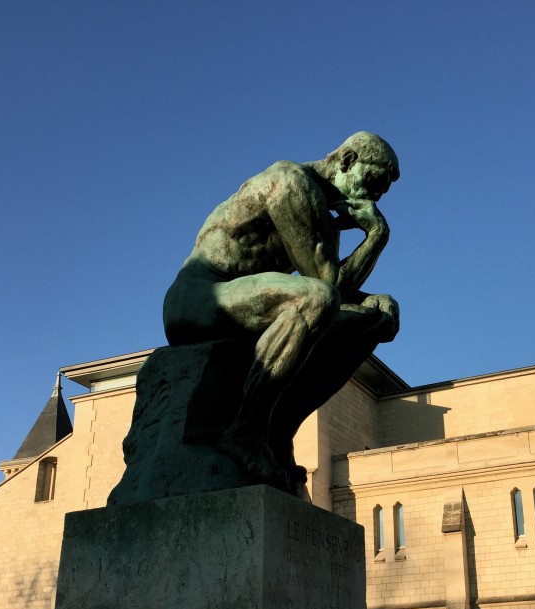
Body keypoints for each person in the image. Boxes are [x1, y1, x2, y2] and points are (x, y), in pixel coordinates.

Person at [163, 131, 400, 492]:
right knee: (317, 299)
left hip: (244, 301)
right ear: (348, 161)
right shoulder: (291, 183)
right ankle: (244, 433)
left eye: (383, 191)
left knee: (376, 317)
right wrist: (376, 236)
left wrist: (373, 303)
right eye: (373, 181)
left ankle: (276, 434)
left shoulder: (325, 213)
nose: (376, 196)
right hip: (200, 298)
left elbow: (335, 287)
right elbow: (327, 287)